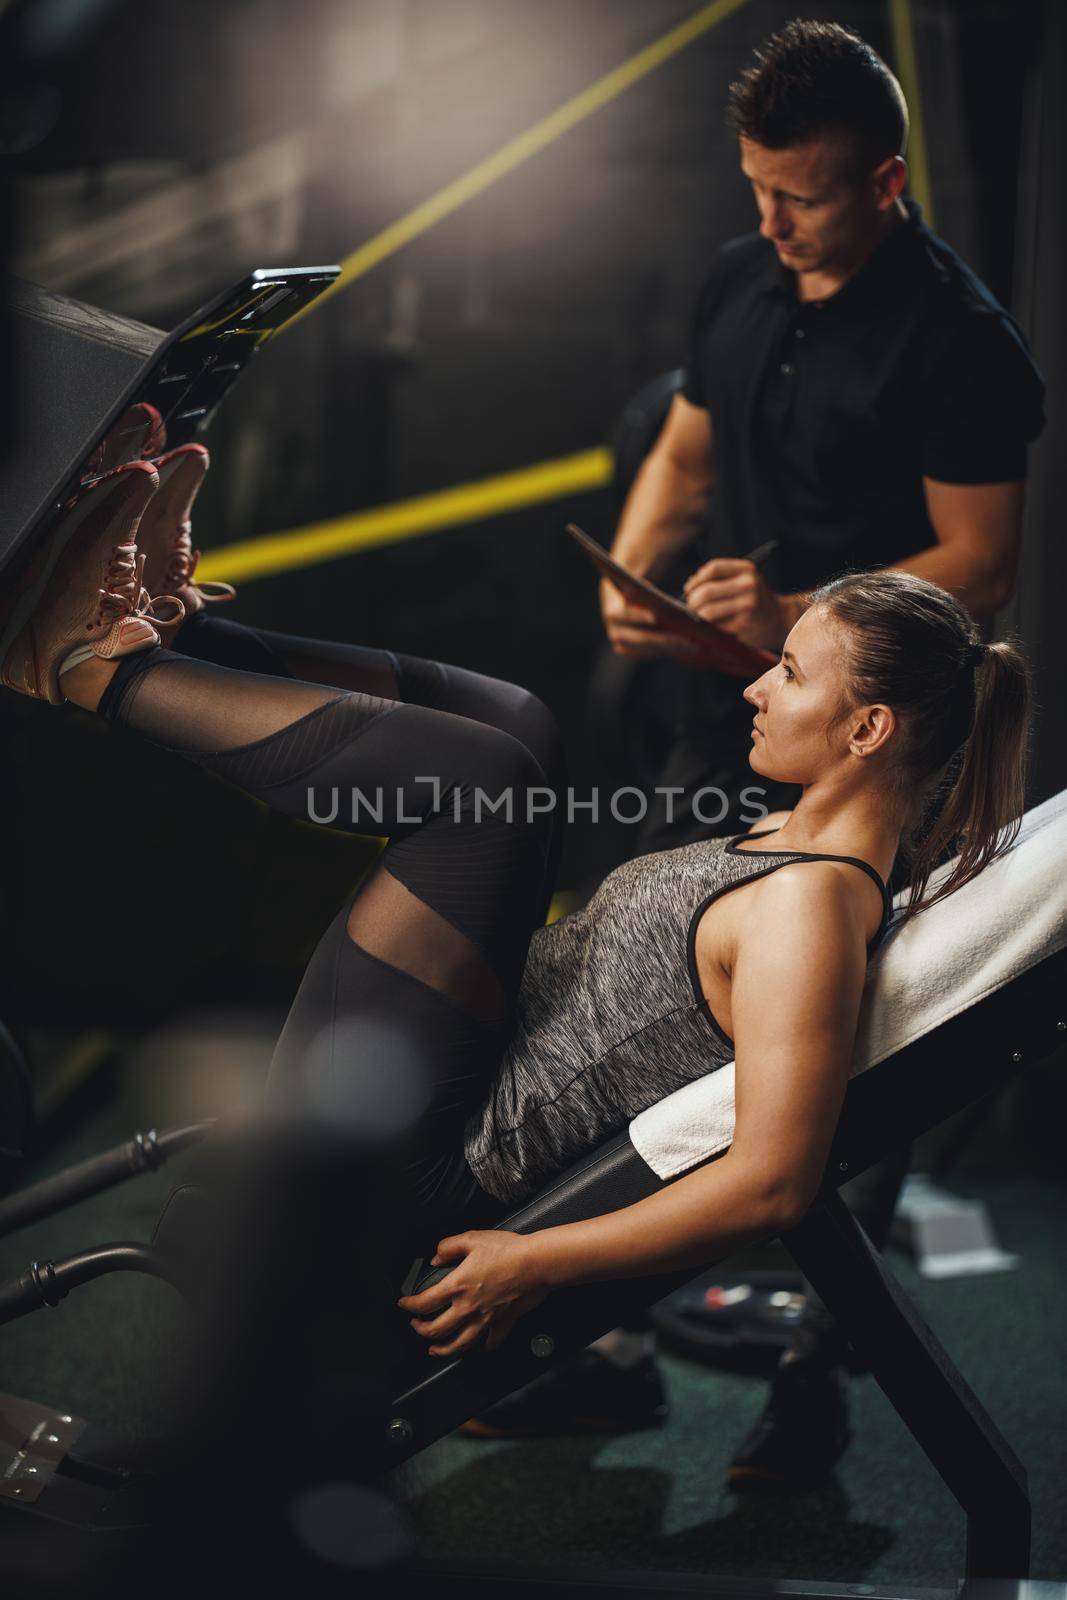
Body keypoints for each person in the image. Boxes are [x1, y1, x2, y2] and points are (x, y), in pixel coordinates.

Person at [0, 451, 1031, 1478]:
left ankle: (88, 666)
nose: (757, 681)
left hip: (422, 1160)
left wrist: (534, 1258)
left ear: (866, 729)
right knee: (520, 730)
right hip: (465, 1067)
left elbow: (771, 1182)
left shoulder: (810, 910)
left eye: (791, 672)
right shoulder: (791, 840)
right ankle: (177, 628)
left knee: (480, 780)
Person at [528, 16, 1045, 1479]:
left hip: (862, 740)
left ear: (884, 182)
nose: (766, 223)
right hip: (716, 712)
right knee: (655, 1036)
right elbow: (686, 445)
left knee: (840, 1080)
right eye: (752, 189)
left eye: (799, 197)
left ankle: (815, 1380)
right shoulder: (738, 271)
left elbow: (981, 561)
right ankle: (610, 1351)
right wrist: (629, 582)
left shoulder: (955, 339)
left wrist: (797, 608)